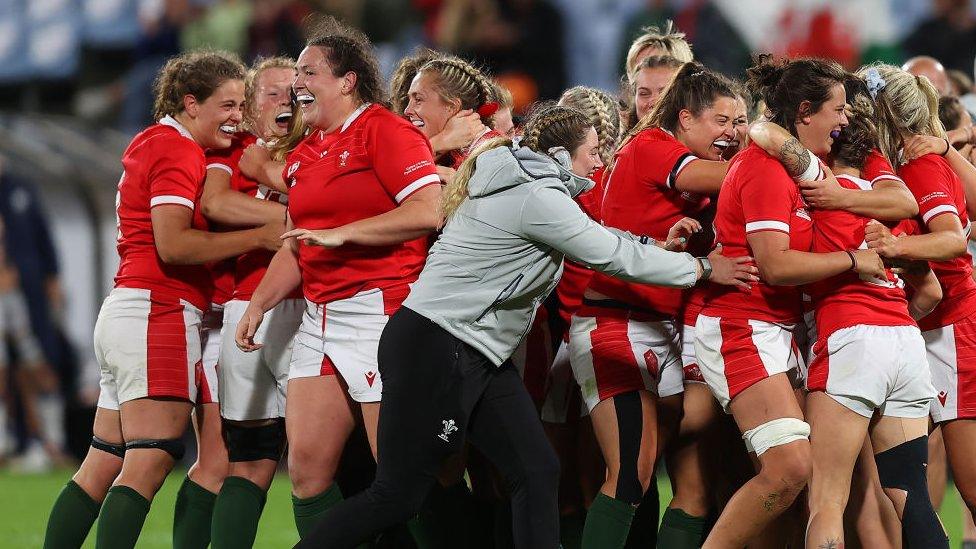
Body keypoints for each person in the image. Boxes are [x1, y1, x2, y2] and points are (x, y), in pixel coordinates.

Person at [293, 103, 757, 548]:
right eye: (593, 150)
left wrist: (655, 243)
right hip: (441, 347)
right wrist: (702, 269)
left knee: (536, 469)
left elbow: (596, 235)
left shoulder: (527, 182)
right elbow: (606, 254)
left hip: (468, 349)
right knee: (398, 495)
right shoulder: (536, 194)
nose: (600, 160)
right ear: (560, 155)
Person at [42, 50, 285, 549]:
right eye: (228, 104)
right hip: (159, 311)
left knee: (103, 462)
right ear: (190, 104)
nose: (238, 117)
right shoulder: (176, 150)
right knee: (149, 459)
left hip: (130, 308)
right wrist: (258, 238)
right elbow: (173, 244)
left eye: (242, 105)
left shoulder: (157, 143)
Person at [233, 17, 443, 540]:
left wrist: (345, 233)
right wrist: (259, 303)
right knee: (305, 472)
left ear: (347, 80)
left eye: (309, 71)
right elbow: (294, 242)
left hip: (382, 312)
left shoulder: (387, 131)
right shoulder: (304, 154)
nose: (298, 82)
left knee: (397, 473)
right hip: (318, 319)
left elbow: (427, 211)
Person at [693, 55, 887, 548]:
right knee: (790, 467)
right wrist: (852, 259)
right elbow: (775, 265)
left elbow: (769, 132)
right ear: (805, 110)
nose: (845, 121)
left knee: (800, 479)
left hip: (781, 330)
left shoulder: (798, 164)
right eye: (837, 109)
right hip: (743, 325)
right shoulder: (763, 171)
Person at [751, 74, 947, 548]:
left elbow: (765, 132)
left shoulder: (815, 181)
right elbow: (931, 293)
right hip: (903, 340)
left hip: (850, 337)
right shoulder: (881, 197)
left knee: (827, 500)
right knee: (910, 496)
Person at [567, 62, 738, 549]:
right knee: (628, 478)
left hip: (670, 329)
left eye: (737, 122)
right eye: (721, 121)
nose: (731, 133)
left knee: (695, 489)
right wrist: (787, 156)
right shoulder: (652, 145)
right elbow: (722, 177)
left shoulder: (683, 166)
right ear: (686, 119)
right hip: (618, 323)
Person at [863, 62, 976, 527]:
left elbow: (951, 239)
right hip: (925, 325)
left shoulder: (919, 164)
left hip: (952, 329)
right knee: (898, 477)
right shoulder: (897, 167)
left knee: (970, 487)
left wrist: (893, 246)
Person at [200, 56, 303, 549]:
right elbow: (214, 203)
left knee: (312, 459)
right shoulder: (235, 149)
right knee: (250, 460)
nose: (285, 100)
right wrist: (292, 218)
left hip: (307, 309)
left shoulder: (319, 146)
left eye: (294, 92)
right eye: (272, 93)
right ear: (250, 106)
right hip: (254, 312)